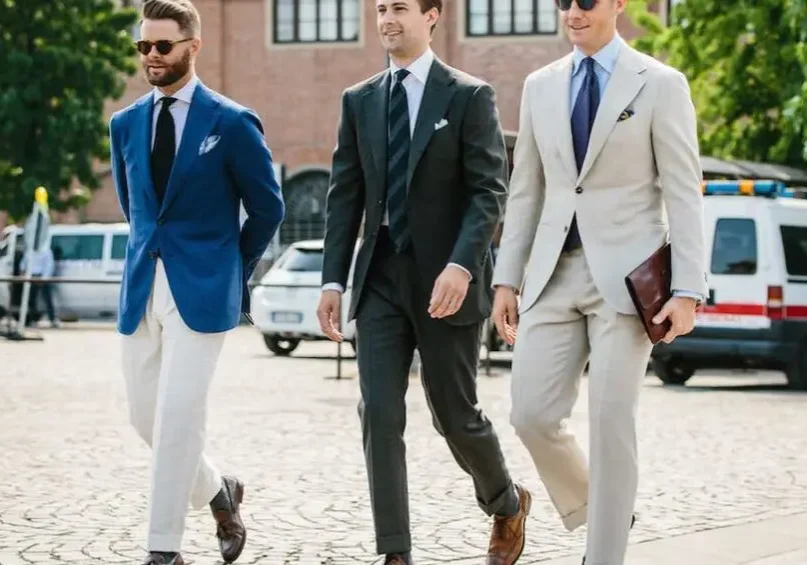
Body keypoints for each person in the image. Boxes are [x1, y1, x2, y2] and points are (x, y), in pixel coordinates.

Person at [490, 0, 708, 563]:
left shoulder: (660, 84)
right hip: (551, 275)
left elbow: (684, 190)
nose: (572, 11)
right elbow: (527, 189)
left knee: (612, 420)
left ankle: (604, 552)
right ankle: (600, 501)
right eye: (563, 2)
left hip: (627, 281)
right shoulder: (540, 85)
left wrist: (687, 290)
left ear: (617, 5)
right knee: (530, 415)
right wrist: (506, 278)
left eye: (585, 1)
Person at [316, 1, 531, 564]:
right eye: (381, 8)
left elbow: (490, 191)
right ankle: (395, 551)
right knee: (379, 412)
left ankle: (506, 502)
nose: (387, 19)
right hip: (381, 276)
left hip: (447, 280)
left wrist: (463, 265)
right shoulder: (358, 101)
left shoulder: (468, 95)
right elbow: (345, 196)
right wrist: (332, 280)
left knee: (453, 414)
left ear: (433, 15)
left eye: (401, 8)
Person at [108, 1, 284, 563]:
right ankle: (219, 492)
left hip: (204, 290)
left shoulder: (231, 122)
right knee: (146, 419)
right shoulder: (125, 123)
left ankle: (163, 550)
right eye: (143, 47)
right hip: (141, 288)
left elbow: (268, 208)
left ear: (193, 46)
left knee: (177, 415)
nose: (152, 57)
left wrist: (231, 266)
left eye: (163, 46)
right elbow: (134, 207)